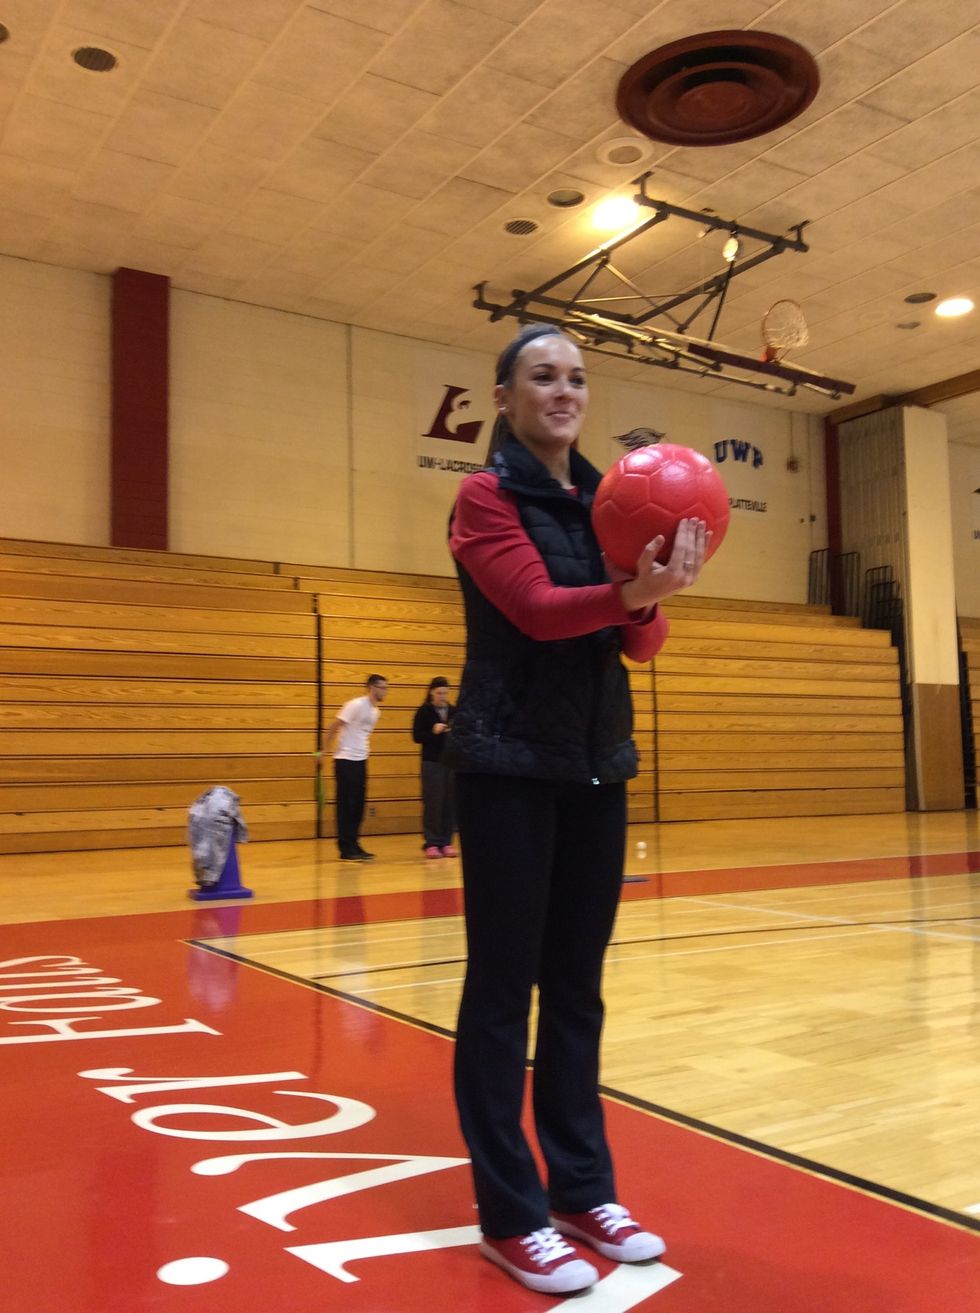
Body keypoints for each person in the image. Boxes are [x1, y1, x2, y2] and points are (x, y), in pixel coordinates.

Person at [446, 324, 708, 1295]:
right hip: (507, 766)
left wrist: (650, 595)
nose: (562, 391)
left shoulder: (607, 500)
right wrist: (631, 589)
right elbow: (537, 609)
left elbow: (639, 644)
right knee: (500, 992)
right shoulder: (483, 496)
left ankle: (580, 1187)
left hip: (597, 762)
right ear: (505, 398)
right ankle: (509, 1214)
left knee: (576, 989)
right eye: (542, 377)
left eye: (575, 378)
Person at [323, 674, 388, 862]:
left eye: (386, 688)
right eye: (382, 687)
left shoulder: (376, 712)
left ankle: (354, 844)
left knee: (359, 805)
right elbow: (334, 727)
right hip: (345, 759)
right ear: (372, 687)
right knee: (346, 805)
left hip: (361, 760)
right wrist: (324, 752)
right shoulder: (356, 705)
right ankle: (345, 848)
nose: (385, 691)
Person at [411, 676, 457, 859]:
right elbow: (416, 737)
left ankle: (446, 842)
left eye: (446, 693)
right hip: (432, 763)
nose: (443, 696)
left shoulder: (454, 711)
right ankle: (431, 842)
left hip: (451, 762)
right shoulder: (424, 712)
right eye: (439, 693)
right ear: (431, 692)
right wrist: (433, 732)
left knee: (449, 803)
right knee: (433, 803)